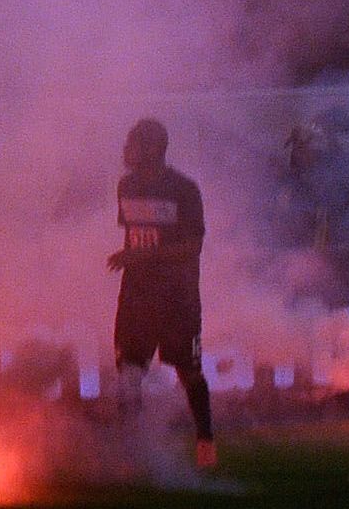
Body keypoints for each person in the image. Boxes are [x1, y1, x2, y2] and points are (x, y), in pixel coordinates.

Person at [107, 118, 213, 468]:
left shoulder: (184, 190)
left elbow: (191, 247)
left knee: (189, 371)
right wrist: (132, 260)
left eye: (133, 144)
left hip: (177, 297)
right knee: (128, 371)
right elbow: (134, 235)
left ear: (154, 149)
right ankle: (133, 449)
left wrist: (140, 256)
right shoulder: (127, 186)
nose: (127, 151)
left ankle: (206, 441)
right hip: (136, 294)